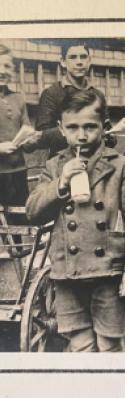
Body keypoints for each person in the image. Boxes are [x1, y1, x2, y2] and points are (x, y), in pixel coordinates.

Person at [26, 89, 125, 352]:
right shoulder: (54, 166)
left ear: (104, 127)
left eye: (89, 127)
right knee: (80, 343)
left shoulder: (120, 165)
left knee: (109, 344)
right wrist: (61, 183)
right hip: (67, 272)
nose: (81, 135)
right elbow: (33, 211)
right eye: (73, 127)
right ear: (61, 128)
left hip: (109, 270)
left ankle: (114, 392)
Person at [35, 40, 114, 157]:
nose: (79, 62)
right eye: (73, 57)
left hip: (94, 159)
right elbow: (42, 135)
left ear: (89, 61)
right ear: (63, 62)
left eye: (83, 57)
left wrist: (110, 136)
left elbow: (107, 132)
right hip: (62, 159)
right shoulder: (52, 93)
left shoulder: (98, 95)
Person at [0, 44, 40, 256]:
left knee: (19, 221)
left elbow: (26, 129)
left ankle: (19, 265)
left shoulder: (18, 99)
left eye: (7, 66)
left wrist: (31, 140)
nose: (3, 71)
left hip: (17, 172)